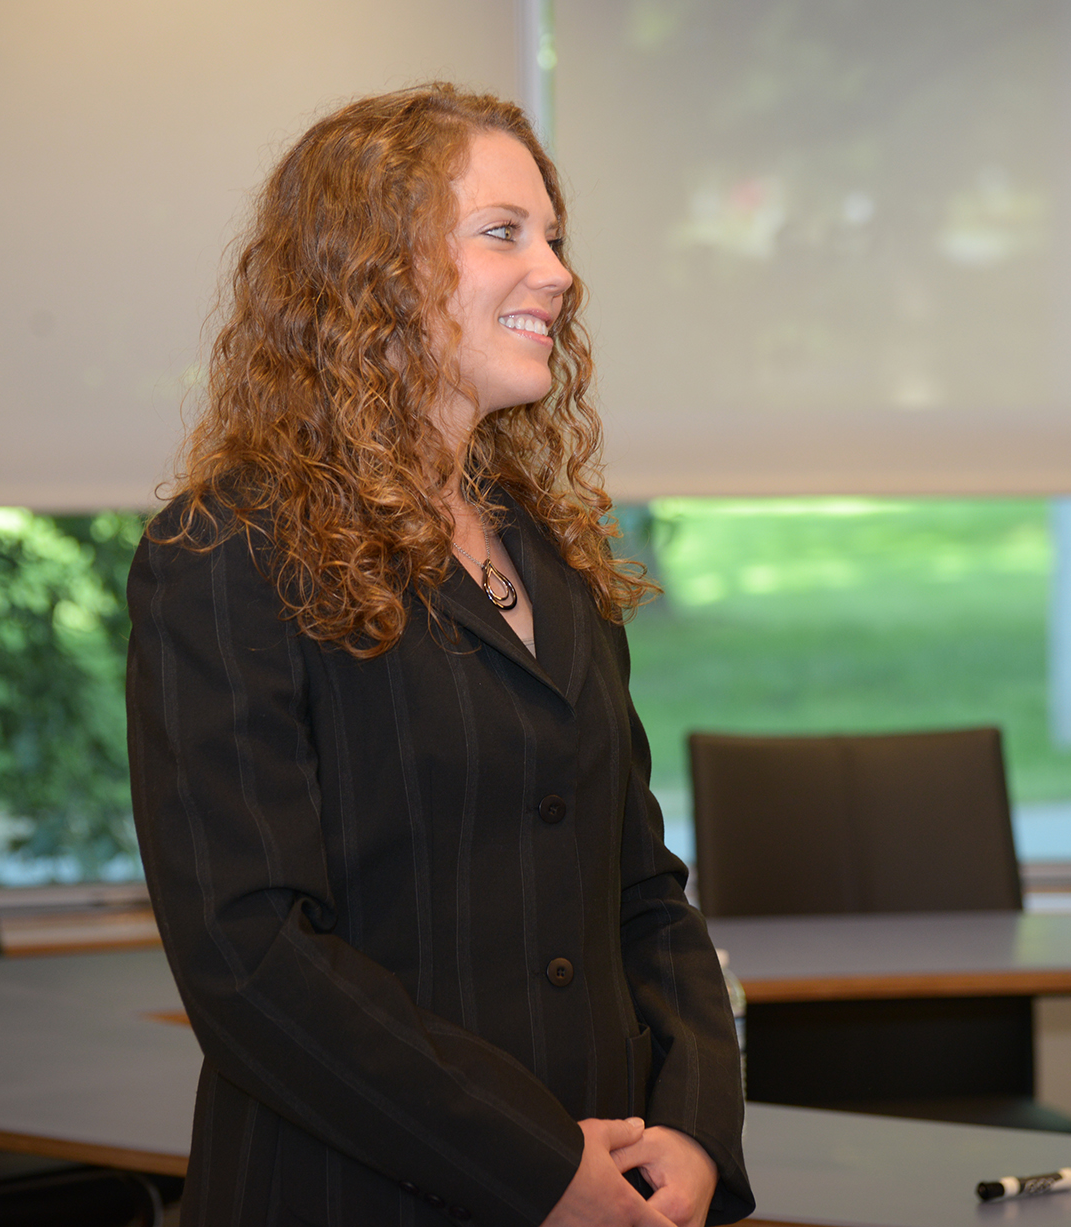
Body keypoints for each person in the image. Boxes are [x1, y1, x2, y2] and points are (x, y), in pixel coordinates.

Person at [126, 84, 754, 1227]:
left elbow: (641, 891)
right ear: (368, 270)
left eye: (553, 237)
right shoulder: (224, 552)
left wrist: (696, 1126)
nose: (557, 274)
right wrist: (535, 1166)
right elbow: (249, 957)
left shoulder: (551, 552)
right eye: (503, 233)